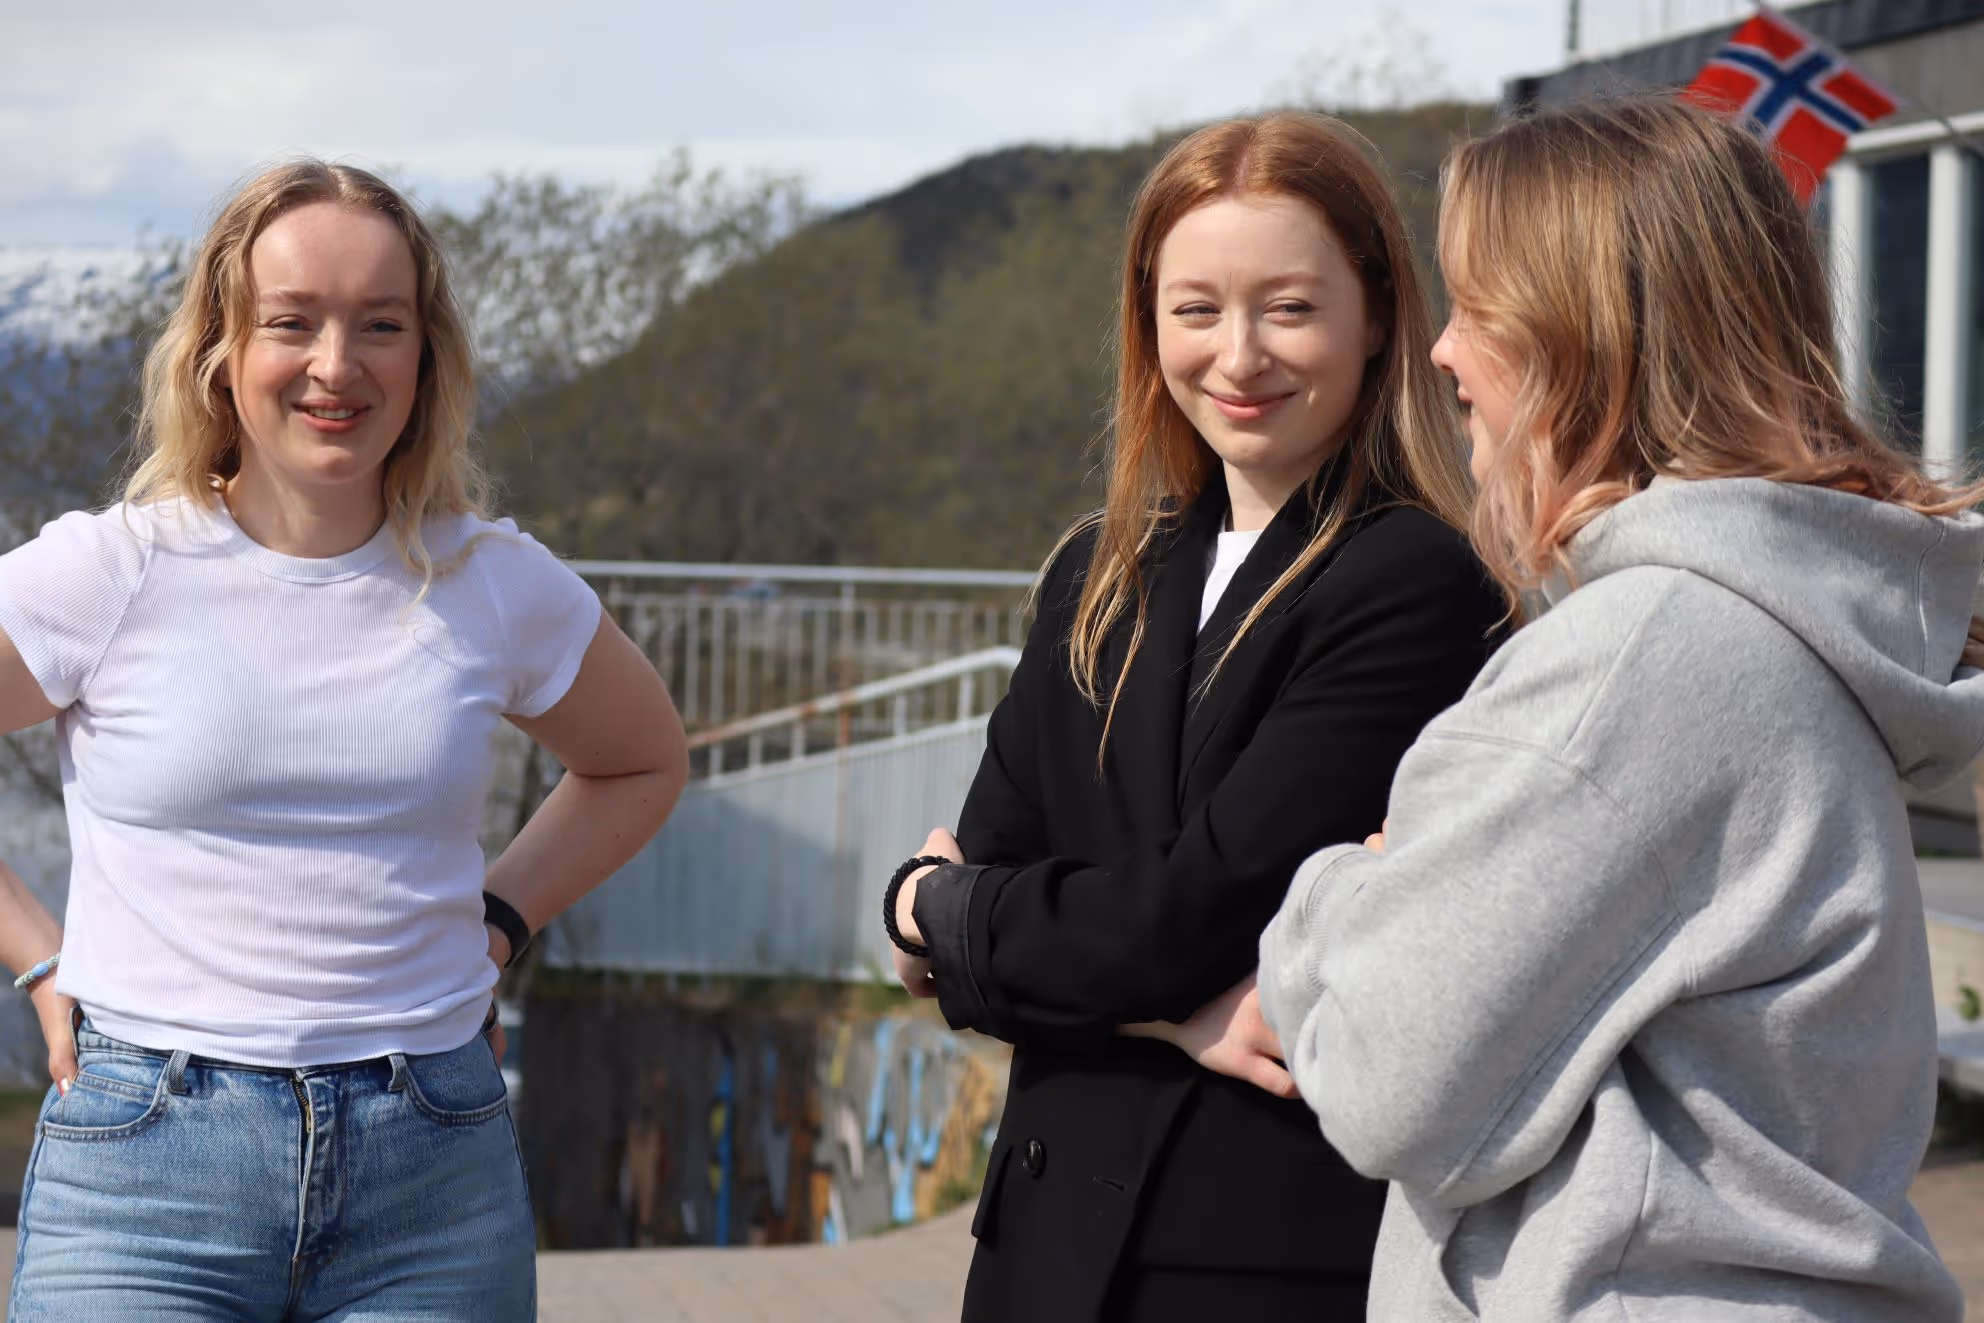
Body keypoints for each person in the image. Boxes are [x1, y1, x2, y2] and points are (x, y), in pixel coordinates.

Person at [1256, 96, 1973, 1321]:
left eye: (1476, 306)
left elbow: (1386, 1084)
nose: (1443, 352)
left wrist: (1344, 890)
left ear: (1580, 335)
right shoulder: (1771, 629)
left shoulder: (1638, 663)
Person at [0, 160, 688, 1320]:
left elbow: (642, 761)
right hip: (146, 1172)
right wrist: (36, 953)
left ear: (426, 356)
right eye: (292, 322)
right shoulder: (111, 572)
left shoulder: (495, 582)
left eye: (381, 324)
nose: (337, 364)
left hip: (429, 1170)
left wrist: (502, 918)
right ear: (220, 348)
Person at [882, 112, 1504, 1320]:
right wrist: (1173, 1017)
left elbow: (1166, 924)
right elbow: (996, 904)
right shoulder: (1099, 572)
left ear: (1377, 317)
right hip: (1037, 1255)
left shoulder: (1419, 581)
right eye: (1197, 309)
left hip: (1252, 1258)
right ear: (1147, 321)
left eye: (1289, 308)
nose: (1239, 354)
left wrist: (930, 906)